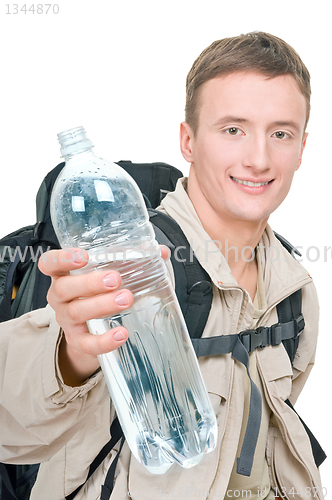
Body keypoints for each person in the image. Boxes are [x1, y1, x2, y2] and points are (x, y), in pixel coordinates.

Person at [0, 31, 324, 499]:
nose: (258, 158)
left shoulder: (294, 287)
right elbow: (13, 422)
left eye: (280, 133)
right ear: (188, 141)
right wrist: (71, 354)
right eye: (233, 129)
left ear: (301, 148)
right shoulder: (127, 264)